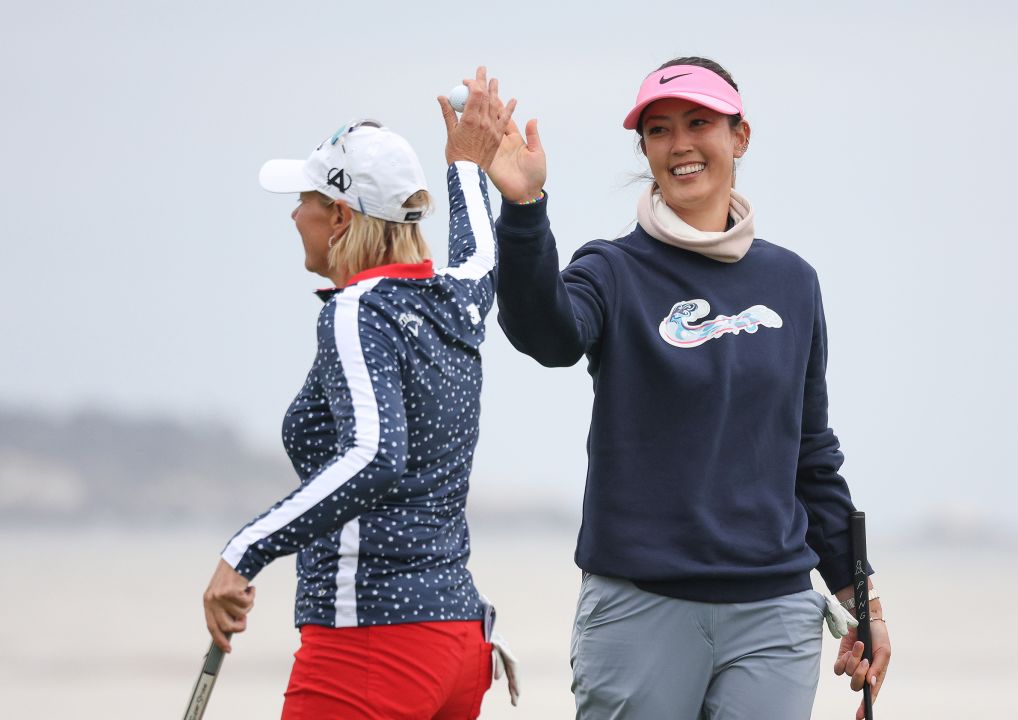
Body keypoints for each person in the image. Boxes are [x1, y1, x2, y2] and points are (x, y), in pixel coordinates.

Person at [481, 57, 893, 718]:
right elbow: (547, 335)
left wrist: (858, 597)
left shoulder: (792, 281)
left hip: (774, 612)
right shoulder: (612, 270)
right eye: (659, 130)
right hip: (641, 605)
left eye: (698, 123)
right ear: (644, 149)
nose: (679, 145)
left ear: (740, 136)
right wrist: (525, 209)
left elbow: (810, 451)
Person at [201, 67, 518, 719]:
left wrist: (244, 552)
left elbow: (374, 455)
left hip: (373, 644)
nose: (294, 214)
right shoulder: (454, 301)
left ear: (340, 215)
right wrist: (464, 165)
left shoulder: (355, 311)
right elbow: (481, 254)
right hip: (458, 642)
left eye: (306, 200)